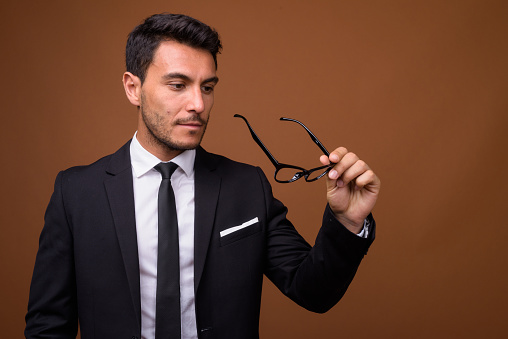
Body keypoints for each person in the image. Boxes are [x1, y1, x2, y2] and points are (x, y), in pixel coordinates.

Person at [25, 13, 380, 339]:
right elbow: (48, 325)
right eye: (178, 85)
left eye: (207, 87)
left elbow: (313, 292)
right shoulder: (76, 192)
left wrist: (346, 221)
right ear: (133, 88)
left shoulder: (247, 187)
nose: (198, 103)